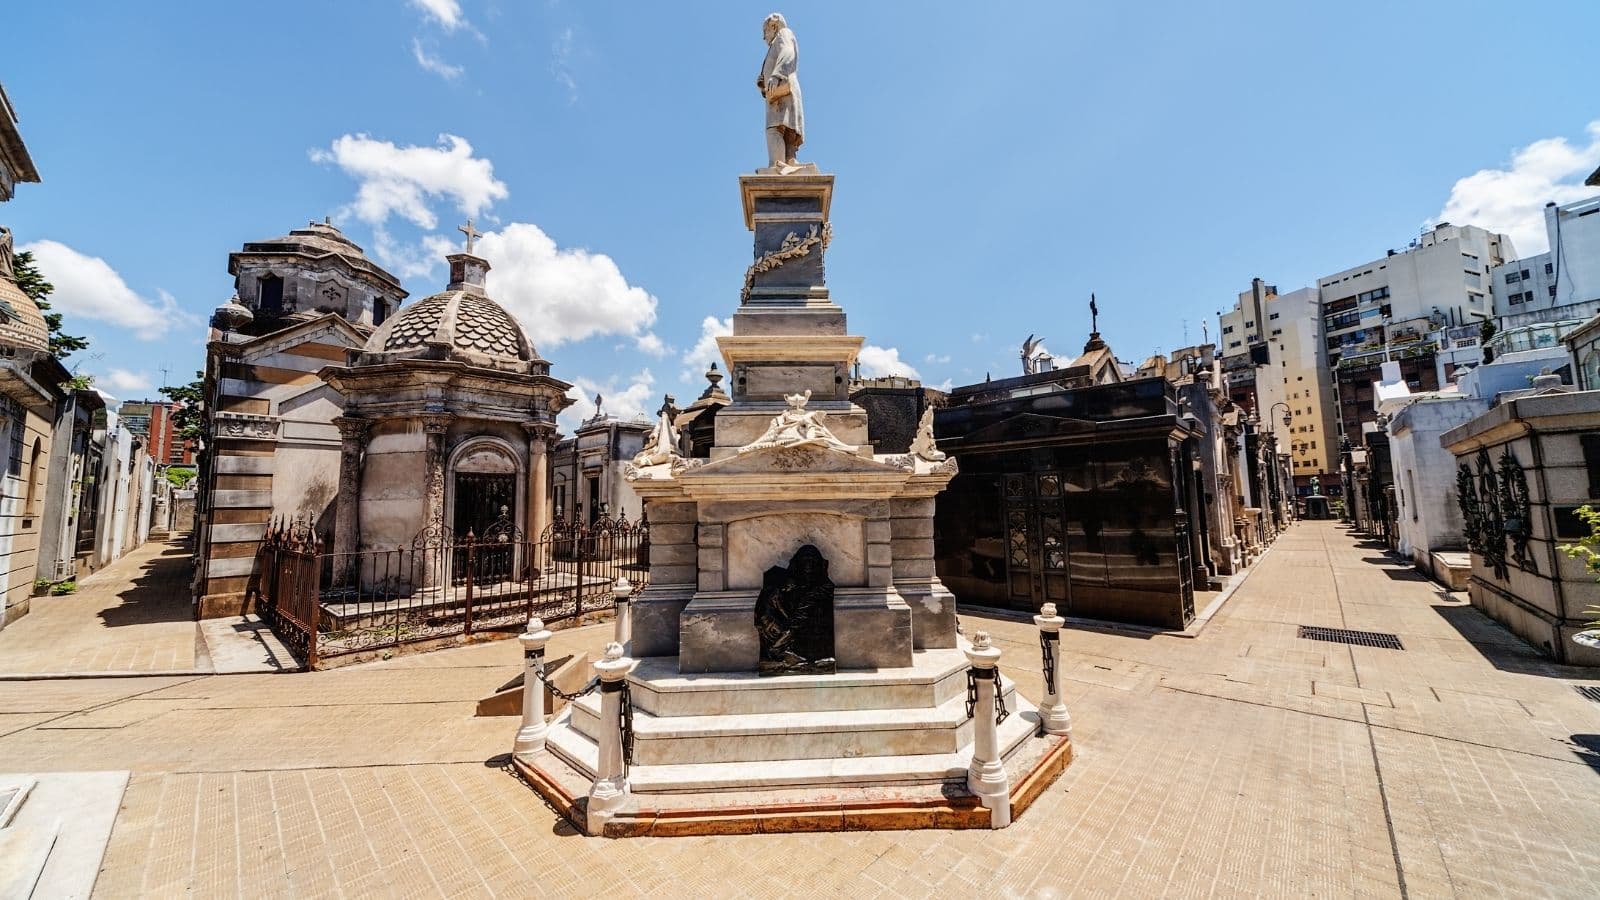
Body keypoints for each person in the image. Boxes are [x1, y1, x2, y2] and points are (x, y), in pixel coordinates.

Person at [757, 13, 805, 172]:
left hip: (782, 90)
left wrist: (776, 75)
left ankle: (777, 164)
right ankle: (789, 162)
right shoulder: (777, 42)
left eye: (765, 31)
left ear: (773, 26)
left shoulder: (783, 34)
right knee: (785, 127)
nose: (764, 37)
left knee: (774, 128)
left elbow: (788, 53)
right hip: (784, 89)